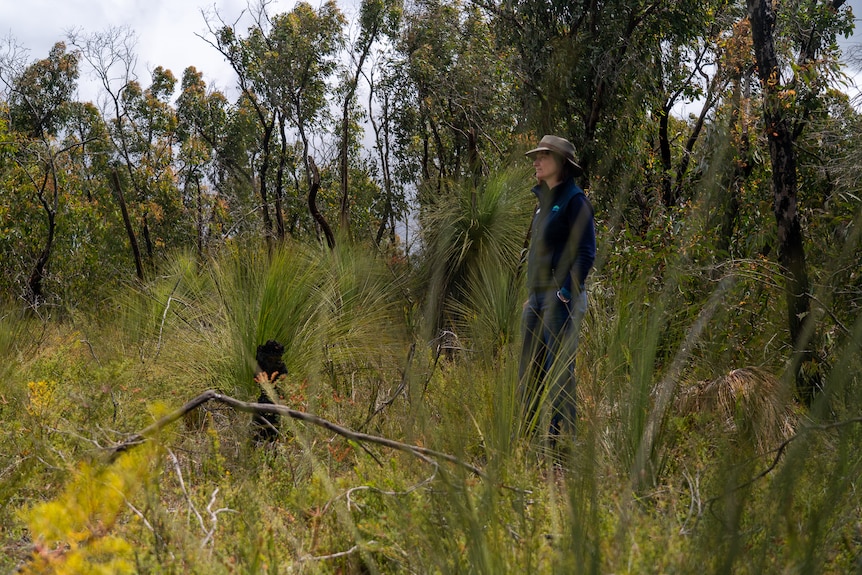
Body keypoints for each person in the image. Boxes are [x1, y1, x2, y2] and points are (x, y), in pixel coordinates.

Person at [518, 135, 596, 444]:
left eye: (544, 156)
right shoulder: (543, 204)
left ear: (561, 163)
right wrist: (530, 297)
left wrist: (565, 293)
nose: (536, 161)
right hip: (537, 299)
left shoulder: (575, 201)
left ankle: (563, 443)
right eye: (536, 156)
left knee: (560, 372)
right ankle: (527, 440)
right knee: (530, 371)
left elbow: (586, 253)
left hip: (559, 299)